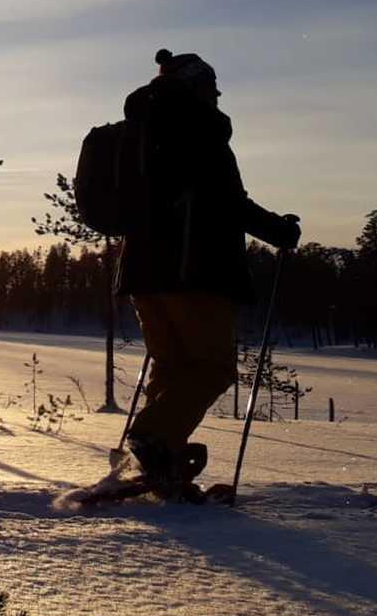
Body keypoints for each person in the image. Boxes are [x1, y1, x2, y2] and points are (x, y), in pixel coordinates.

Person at [115, 48, 300, 500]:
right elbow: (225, 201)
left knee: (174, 367)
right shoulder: (198, 128)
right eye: (212, 87)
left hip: (143, 272)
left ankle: (157, 454)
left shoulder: (141, 127)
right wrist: (279, 229)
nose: (217, 96)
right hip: (194, 272)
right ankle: (153, 438)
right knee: (213, 369)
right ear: (196, 86)